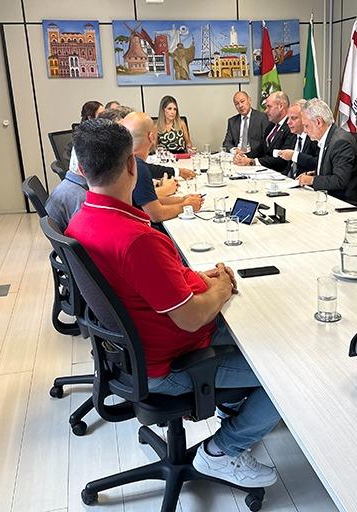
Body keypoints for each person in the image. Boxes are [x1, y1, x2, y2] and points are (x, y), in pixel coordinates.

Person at [66, 119, 281, 487]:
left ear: (82, 170)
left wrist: (198, 280)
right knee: (285, 375)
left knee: (255, 337)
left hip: (135, 354)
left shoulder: (83, 220)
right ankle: (222, 451)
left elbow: (150, 285)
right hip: (170, 365)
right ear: (133, 165)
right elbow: (191, 317)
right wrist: (223, 287)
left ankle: (233, 406)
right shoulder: (136, 239)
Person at [121, 112, 203, 222]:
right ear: (151, 137)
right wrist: (186, 206)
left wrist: (182, 199)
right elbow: (156, 214)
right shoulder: (138, 166)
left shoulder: (125, 159)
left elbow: (149, 201)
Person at [298, 99, 357, 205]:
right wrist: (315, 173)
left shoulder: (340, 142)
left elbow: (340, 180)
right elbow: (333, 168)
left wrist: (312, 180)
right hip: (327, 197)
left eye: (306, 126)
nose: (305, 131)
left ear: (318, 122)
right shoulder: (329, 137)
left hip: (342, 203)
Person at [233, 91, 295, 173]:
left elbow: (282, 160)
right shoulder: (272, 125)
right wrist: (243, 156)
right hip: (265, 171)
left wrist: (252, 161)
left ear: (280, 106)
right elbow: (261, 149)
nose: (265, 111)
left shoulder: (291, 127)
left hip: (279, 174)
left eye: (269, 107)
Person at [276, 99, 319, 178]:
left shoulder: (314, 138)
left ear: (304, 118)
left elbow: (318, 163)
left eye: (294, 118)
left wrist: (294, 155)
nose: (288, 122)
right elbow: (289, 168)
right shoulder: (293, 136)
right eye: (288, 118)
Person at [222, 91, 272, 158]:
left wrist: (247, 156)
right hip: (237, 157)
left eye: (242, 101)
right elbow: (226, 143)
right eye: (237, 104)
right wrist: (235, 150)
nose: (240, 106)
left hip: (254, 157)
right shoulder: (232, 121)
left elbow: (265, 143)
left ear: (249, 100)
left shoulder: (262, 118)